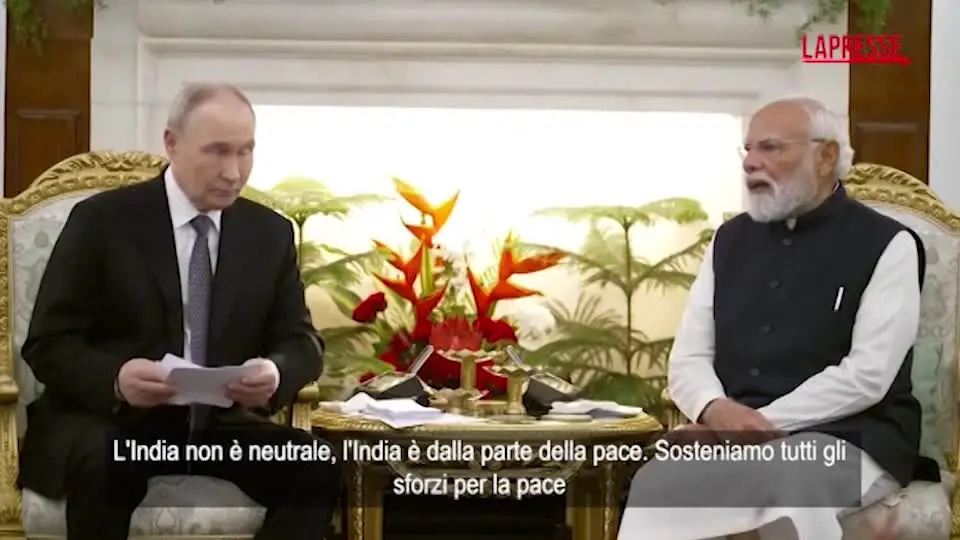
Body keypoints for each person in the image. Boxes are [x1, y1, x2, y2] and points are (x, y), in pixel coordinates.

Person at [17, 82, 341, 540]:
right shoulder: (103, 221)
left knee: (314, 464)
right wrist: (116, 378)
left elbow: (301, 342)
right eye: (217, 151)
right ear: (172, 142)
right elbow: (48, 344)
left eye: (245, 151)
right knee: (104, 462)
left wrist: (274, 371)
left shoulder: (268, 234)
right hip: (113, 423)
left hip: (218, 426)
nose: (234, 171)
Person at [617, 96, 939, 539]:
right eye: (748, 149)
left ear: (825, 156)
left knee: (787, 480)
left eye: (770, 148)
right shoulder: (729, 240)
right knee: (657, 482)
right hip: (734, 435)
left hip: (852, 438)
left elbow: (868, 375)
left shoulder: (888, 243)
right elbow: (689, 357)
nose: (751, 163)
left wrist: (753, 424)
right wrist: (714, 408)